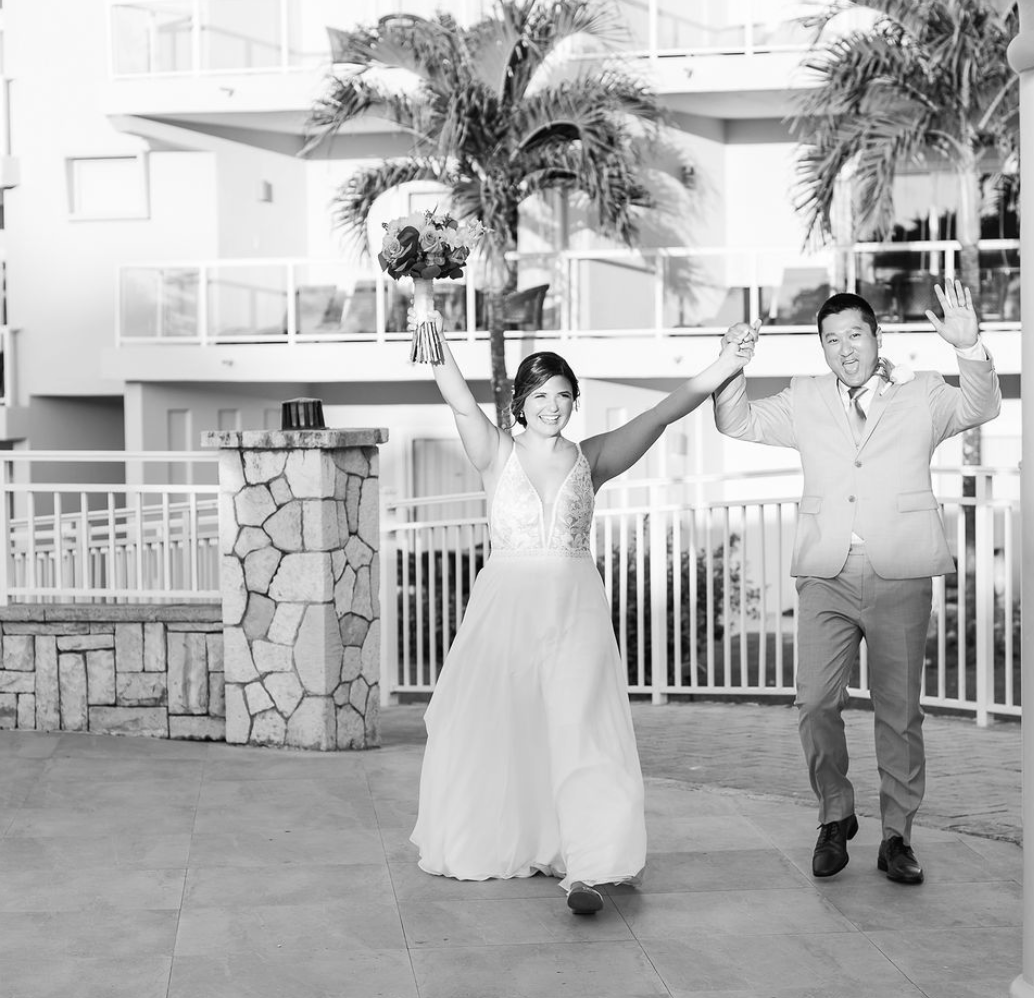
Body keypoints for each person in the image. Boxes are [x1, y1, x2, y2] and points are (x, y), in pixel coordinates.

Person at [409, 314, 753, 915]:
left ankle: (590, 866)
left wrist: (724, 364)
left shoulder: (589, 459)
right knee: (502, 726)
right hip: (506, 612)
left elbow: (660, 415)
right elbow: (458, 399)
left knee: (582, 728)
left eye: (564, 396)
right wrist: (425, 302)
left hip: (575, 612)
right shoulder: (496, 452)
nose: (553, 406)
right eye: (540, 396)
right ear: (520, 402)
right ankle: (522, 839)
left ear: (574, 404)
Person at [713, 281, 1000, 884]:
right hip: (826, 571)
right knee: (815, 702)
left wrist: (969, 348)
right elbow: (735, 421)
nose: (844, 349)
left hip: (900, 568)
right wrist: (731, 365)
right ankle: (834, 813)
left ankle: (897, 835)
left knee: (898, 712)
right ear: (821, 347)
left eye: (854, 335)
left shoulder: (921, 394)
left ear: (876, 338)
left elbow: (980, 408)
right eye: (831, 339)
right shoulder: (804, 397)